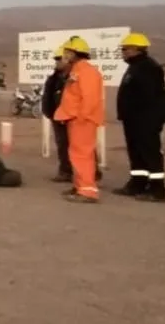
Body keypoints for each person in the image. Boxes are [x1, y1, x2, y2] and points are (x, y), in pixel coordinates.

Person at [113, 32, 165, 202]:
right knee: (136, 152)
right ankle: (138, 183)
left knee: (150, 153)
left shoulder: (148, 67)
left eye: (125, 49)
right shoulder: (135, 66)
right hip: (134, 119)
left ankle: (157, 190)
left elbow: (149, 96)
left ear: (136, 49)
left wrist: (144, 117)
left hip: (146, 119)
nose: (123, 52)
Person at [54, 36, 105, 204]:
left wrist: (82, 117)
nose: (65, 56)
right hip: (75, 119)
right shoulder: (77, 70)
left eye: (67, 52)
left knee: (82, 155)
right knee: (77, 155)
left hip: (83, 120)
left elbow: (90, 98)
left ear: (75, 53)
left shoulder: (87, 71)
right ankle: (79, 186)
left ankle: (88, 191)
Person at [42, 46, 74, 181]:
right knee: (62, 145)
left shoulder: (73, 78)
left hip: (71, 117)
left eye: (59, 60)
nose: (57, 63)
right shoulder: (55, 77)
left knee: (78, 146)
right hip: (57, 116)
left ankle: (90, 173)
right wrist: (48, 112)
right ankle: (65, 171)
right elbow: (49, 95)